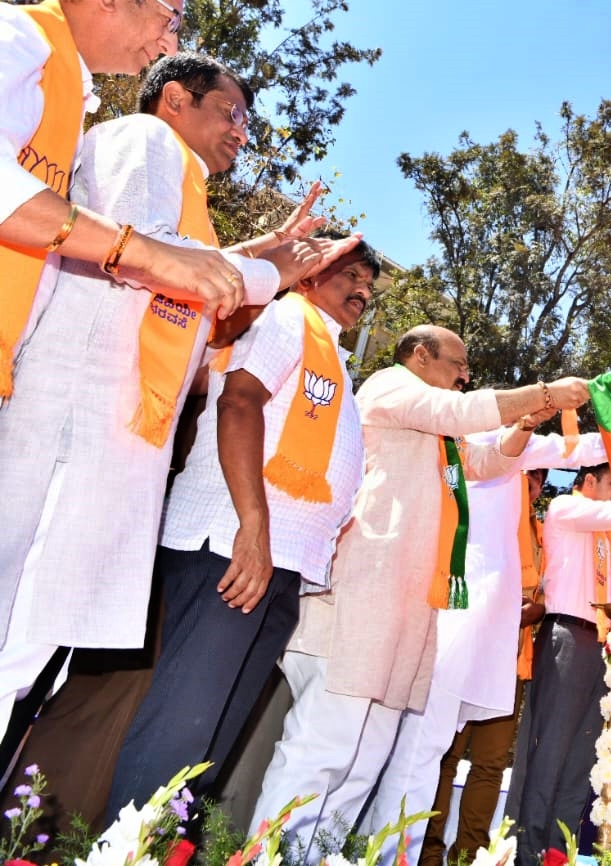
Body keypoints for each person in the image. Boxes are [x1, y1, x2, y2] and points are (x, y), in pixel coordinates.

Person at [0, 51, 357, 743]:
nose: (241, 132)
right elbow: (153, 254)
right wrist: (269, 269)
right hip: (75, 422)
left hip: (107, 437)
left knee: (25, 652)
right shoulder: (146, 140)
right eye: (230, 112)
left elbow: (186, 264)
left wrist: (266, 252)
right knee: (15, 638)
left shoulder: (182, 179)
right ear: (173, 100)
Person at [251, 325, 591, 865]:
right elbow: (460, 415)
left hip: (410, 610)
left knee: (363, 762)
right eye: (457, 363)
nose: (464, 375)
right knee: (324, 749)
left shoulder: (435, 429)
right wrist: (546, 394)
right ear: (420, 355)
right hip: (365, 591)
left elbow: (484, 465)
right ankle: (271, 858)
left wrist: (524, 425)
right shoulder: (390, 387)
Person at [106, 222, 379, 813]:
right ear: (310, 269)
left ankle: (158, 851)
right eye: (350, 274)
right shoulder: (284, 319)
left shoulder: (330, 351)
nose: (362, 290)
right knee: (180, 736)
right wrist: (253, 529)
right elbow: (238, 402)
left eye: (368, 284)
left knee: (207, 752)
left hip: (277, 566)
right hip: (232, 551)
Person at [2, 0, 254, 403]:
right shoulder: (13, 34)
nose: (170, 45)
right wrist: (147, 253)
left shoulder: (65, 92)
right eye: (170, 19)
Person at [414, 431, 607, 866]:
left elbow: (544, 596)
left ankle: (468, 856)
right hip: (465, 650)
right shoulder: (485, 518)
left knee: (489, 765)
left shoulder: (540, 531)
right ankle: (426, 853)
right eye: (528, 475)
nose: (533, 483)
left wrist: (527, 610)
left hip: (512, 664)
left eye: (539, 477)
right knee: (443, 754)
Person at [508, 464, 611, 866]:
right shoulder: (564, 508)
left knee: (583, 758)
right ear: (588, 481)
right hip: (567, 637)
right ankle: (527, 851)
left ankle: (559, 853)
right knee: (551, 750)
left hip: (601, 645)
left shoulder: (609, 540)